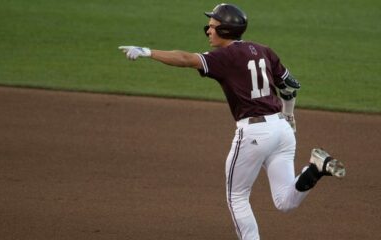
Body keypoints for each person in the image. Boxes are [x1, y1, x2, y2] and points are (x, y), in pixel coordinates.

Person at [119, 3, 346, 240]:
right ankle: (316, 167)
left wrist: (147, 51)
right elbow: (290, 87)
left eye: (212, 26)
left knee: (236, 197)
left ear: (225, 31)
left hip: (254, 134)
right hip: (281, 130)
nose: (208, 30)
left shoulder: (224, 57)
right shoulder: (264, 50)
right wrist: (289, 116)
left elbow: (186, 58)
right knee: (285, 202)